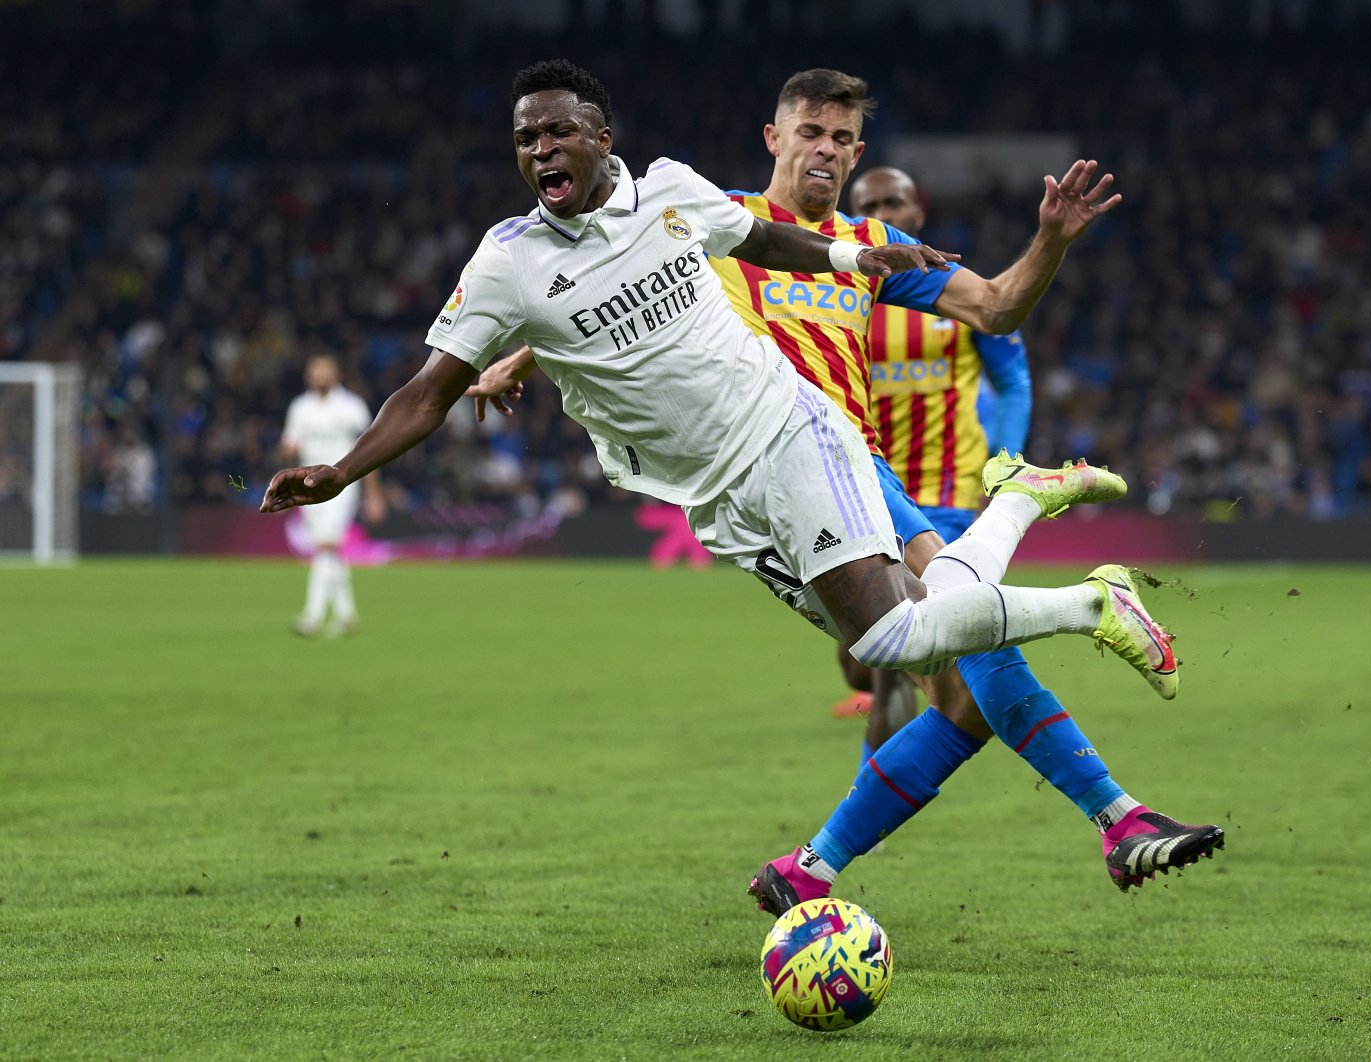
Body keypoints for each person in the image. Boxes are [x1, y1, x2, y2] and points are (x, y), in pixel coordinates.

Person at [262, 61, 1133, 690]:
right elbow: (426, 393)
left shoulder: (672, 193)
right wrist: (340, 472)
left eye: (559, 130)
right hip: (712, 497)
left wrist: (848, 257)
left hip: (789, 429)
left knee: (890, 638)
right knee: (908, 645)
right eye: (526, 138)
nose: (541, 148)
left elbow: (762, 242)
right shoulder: (506, 263)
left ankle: (1091, 605)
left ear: (604, 141)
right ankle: (1022, 504)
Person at [695, 69, 1219, 908]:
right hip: (777, 488)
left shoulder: (871, 252)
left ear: (858, 152)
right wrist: (522, 352)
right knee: (954, 684)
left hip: (861, 476)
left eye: (841, 137)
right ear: (773, 137)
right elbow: (626, 294)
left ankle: (1117, 817)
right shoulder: (722, 222)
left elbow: (999, 309)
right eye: (809, 131)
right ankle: (819, 864)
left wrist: (1050, 239)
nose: (823, 148)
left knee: (957, 652)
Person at [830, 166, 1035, 758]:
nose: (886, 212)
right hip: (862, 494)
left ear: (918, 213)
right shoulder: (842, 291)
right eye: (872, 204)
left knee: (906, 650)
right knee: (859, 664)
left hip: (947, 497)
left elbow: (1013, 381)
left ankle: (861, 817)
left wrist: (1006, 467)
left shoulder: (947, 291)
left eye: (895, 201)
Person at [280, 355, 384, 637]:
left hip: (341, 484)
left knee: (325, 546)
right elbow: (289, 445)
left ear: (336, 374)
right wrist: (287, 451)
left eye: (325, 371)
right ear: (308, 376)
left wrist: (373, 494)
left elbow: (368, 452)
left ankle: (311, 617)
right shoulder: (300, 408)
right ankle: (347, 615)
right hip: (307, 485)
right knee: (329, 549)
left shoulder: (351, 407)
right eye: (315, 372)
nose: (320, 376)